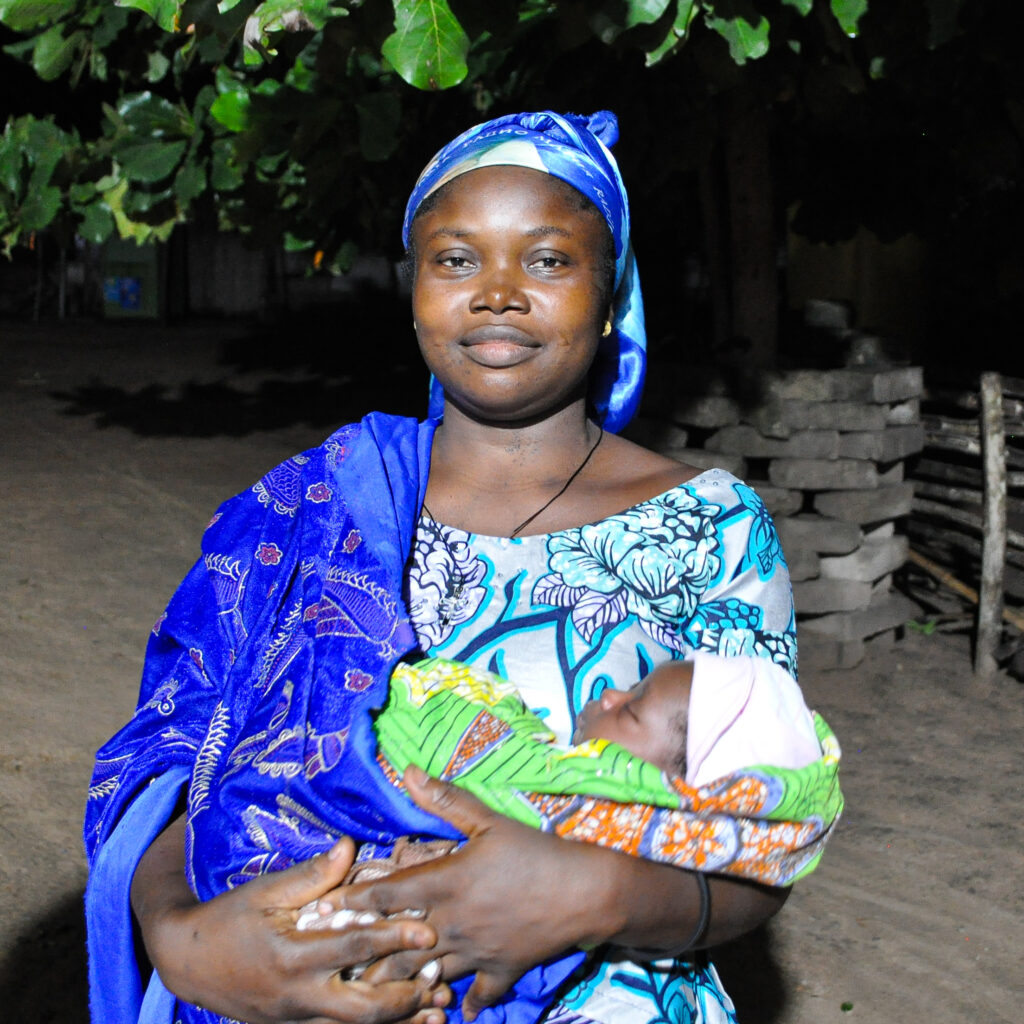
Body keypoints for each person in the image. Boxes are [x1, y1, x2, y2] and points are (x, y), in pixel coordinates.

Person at [84, 110, 825, 1024]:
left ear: (609, 296)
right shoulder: (311, 501)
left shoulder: (707, 528)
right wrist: (182, 938)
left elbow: (769, 828)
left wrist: (598, 895)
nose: (499, 292)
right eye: (457, 259)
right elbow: (173, 751)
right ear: (415, 290)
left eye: (548, 259)